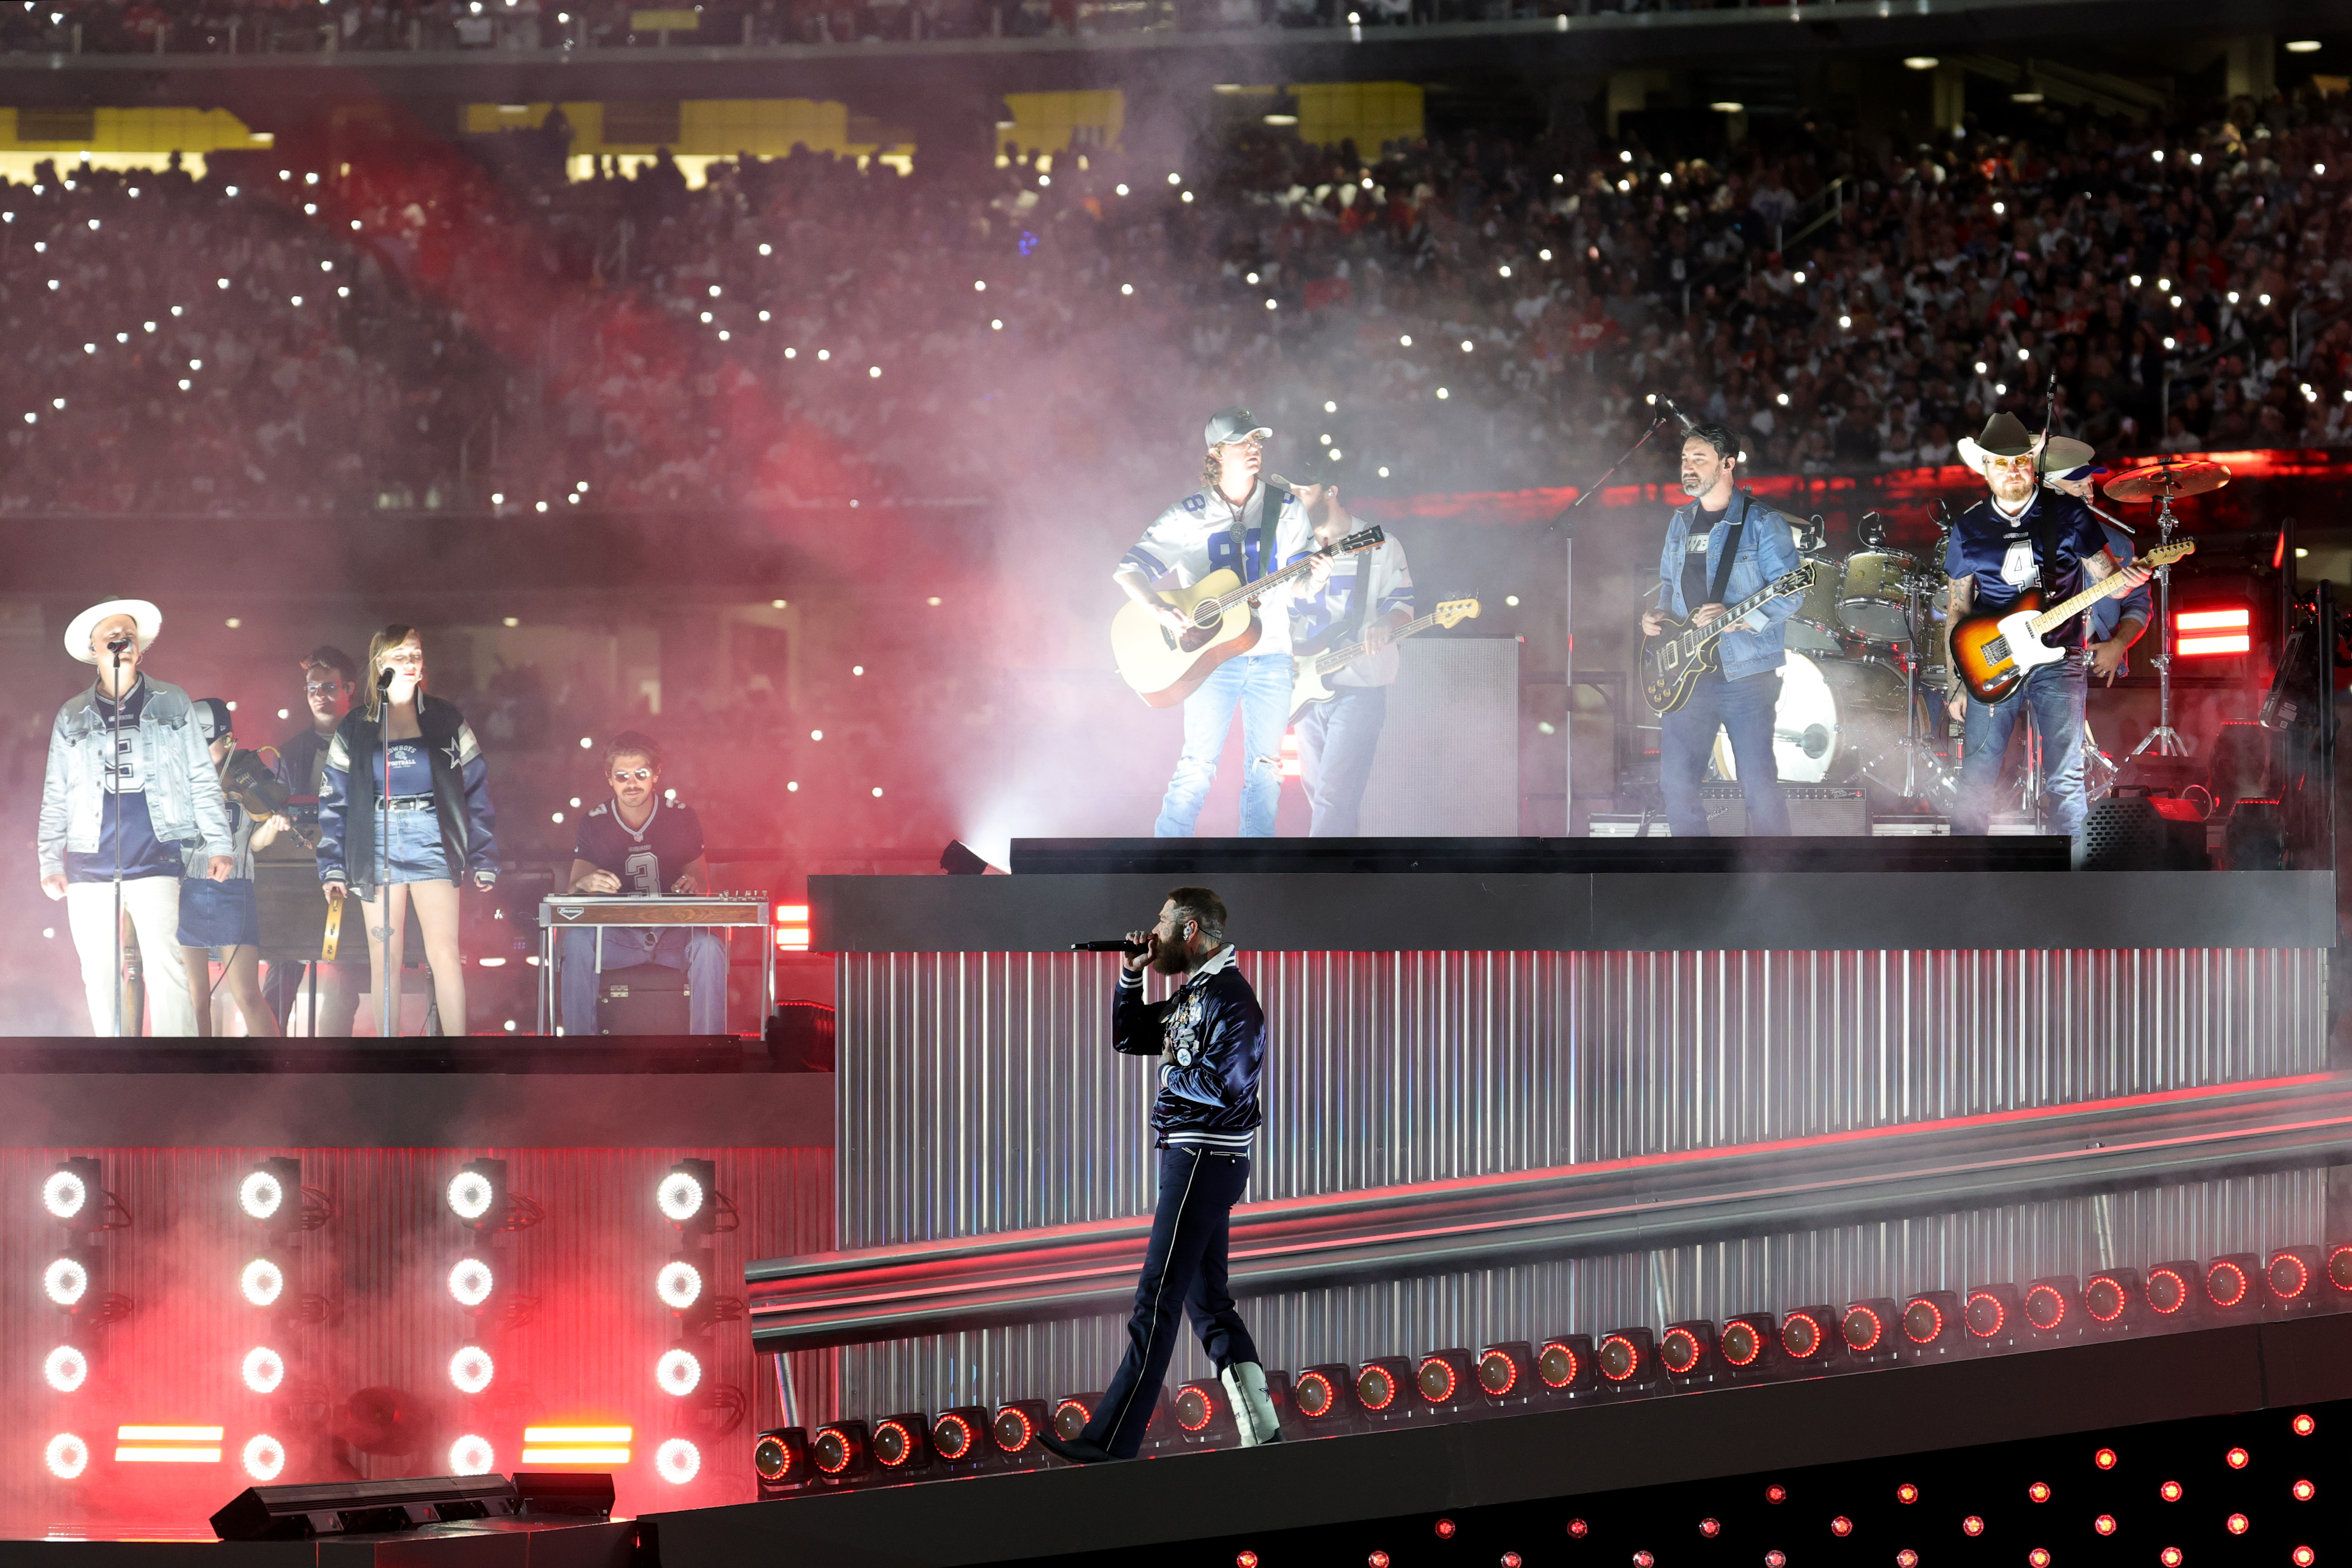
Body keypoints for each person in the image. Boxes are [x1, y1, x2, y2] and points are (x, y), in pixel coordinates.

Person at [1039, 888, 1283, 1465]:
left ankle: (1110, 1440)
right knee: (1209, 1304)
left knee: (1158, 1296)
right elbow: (1130, 1037)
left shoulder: (1233, 1000)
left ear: (1190, 929)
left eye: (1163, 921)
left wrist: (1173, 1075)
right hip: (1190, 1157)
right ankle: (1264, 1436)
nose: (1153, 930)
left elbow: (1227, 1085)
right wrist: (1130, 975)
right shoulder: (1193, 993)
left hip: (1205, 1157)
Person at [1942, 413, 2150, 837]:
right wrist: (1955, 683)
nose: (2013, 470)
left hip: (2061, 659)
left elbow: (2109, 583)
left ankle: (2072, 883)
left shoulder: (2069, 513)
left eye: (2021, 461)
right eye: (2001, 463)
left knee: (2066, 777)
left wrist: (2132, 577)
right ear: (1985, 468)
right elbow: (1956, 610)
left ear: (2033, 464)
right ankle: (1960, 874)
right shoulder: (1968, 528)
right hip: (1992, 659)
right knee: (1978, 773)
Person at [36, 597, 236, 1037]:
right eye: (111, 634)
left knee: (168, 967)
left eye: (129, 634)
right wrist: (49, 859)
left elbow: (201, 777)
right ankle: (111, 1068)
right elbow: (56, 792)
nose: (121, 641)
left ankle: (175, 1070)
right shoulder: (72, 714)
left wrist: (219, 841)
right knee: (99, 972)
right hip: (89, 860)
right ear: (94, 649)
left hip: (155, 855)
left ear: (140, 648)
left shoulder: (172, 701)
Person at [1114, 407, 1314, 838]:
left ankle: (1256, 859)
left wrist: (1315, 575)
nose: (1254, 448)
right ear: (1216, 452)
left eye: (1258, 440)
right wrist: (1159, 609)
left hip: (1274, 652)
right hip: (1210, 656)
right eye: (1243, 441)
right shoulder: (1189, 513)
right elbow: (1129, 570)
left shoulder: (1288, 508)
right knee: (1198, 760)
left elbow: (1298, 587)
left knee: (1267, 765)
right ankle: (1168, 851)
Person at [317, 625, 499, 1036]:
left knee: (445, 953)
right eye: (400, 656)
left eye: (416, 654)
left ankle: (457, 1052)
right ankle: (389, 1059)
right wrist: (331, 866)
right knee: (385, 957)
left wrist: (485, 856)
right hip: (376, 838)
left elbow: (477, 789)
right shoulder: (357, 725)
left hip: (431, 834)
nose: (411, 663)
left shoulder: (444, 717)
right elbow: (334, 800)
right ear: (380, 664)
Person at [1641, 424, 1802, 837]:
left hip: (1744, 676)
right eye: (1684, 459)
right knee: (1675, 786)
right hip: (1685, 679)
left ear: (1728, 464)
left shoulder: (1763, 523)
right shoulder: (1679, 522)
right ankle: (1698, 880)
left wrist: (1737, 617)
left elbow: (1791, 595)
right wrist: (1656, 618)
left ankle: (1777, 883)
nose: (1688, 468)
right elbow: (1667, 586)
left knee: (1758, 788)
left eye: (1699, 459)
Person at [558, 731, 728, 1036]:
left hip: (673, 934)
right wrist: (588, 881)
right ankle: (577, 1046)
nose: (632, 783)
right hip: (618, 937)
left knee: (710, 945)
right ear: (609, 778)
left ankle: (709, 1045)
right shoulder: (595, 821)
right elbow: (574, 888)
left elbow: (702, 883)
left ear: (656, 775)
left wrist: (693, 884)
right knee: (576, 940)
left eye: (641, 774)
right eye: (622, 776)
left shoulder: (682, 817)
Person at [1286, 480, 1414, 837]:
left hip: (1360, 686)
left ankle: (1316, 885)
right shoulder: (1294, 549)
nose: (1293, 499)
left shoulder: (1379, 543)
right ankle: (1344, 881)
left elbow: (1403, 605)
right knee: (1325, 803)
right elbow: (1284, 614)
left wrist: (1385, 623)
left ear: (1331, 491)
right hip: (1306, 689)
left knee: (1332, 799)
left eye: (1302, 490)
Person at [262, 646, 365, 1036]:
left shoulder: (369, 742)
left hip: (352, 870)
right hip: (299, 871)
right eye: (311, 688)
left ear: (349, 688)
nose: (319, 695)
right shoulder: (290, 750)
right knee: (283, 965)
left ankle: (331, 1063)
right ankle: (264, 1057)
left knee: (344, 973)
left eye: (328, 686)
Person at [178, 698, 288, 1037]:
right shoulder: (176, 779)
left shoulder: (246, 776)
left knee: (247, 994)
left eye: (205, 740)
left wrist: (272, 825)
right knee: (195, 996)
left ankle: (276, 1071)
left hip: (233, 887)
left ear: (228, 741)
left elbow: (254, 844)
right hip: (185, 887)